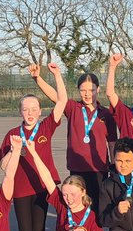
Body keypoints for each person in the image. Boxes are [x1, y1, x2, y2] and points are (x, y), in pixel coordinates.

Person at [0, 90, 65, 231]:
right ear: (20, 111)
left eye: (34, 109)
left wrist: (54, 74)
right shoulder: (12, 134)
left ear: (40, 111)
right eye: (26, 109)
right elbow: (3, 166)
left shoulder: (45, 127)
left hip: (41, 189)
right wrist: (14, 150)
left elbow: (62, 101)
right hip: (20, 190)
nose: (30, 113)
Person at [32, 62, 117, 214]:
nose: (87, 94)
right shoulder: (73, 108)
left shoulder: (106, 114)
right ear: (78, 91)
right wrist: (39, 78)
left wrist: (113, 169)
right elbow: (55, 96)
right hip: (77, 168)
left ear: (98, 89)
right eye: (83, 90)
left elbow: (111, 144)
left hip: (99, 169)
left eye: (91, 90)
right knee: (78, 207)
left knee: (97, 208)